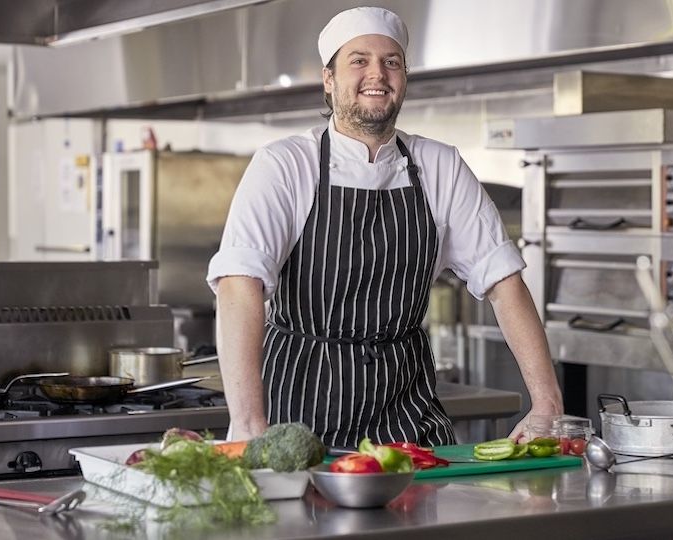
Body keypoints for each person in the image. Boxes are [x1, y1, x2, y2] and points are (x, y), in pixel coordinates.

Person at [206, 6, 562, 448]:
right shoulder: (284, 165)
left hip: (408, 416)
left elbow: (504, 282)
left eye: (391, 62)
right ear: (329, 79)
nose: (378, 73)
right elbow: (239, 285)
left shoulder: (440, 166)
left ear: (404, 77)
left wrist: (547, 403)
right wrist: (247, 426)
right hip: (298, 414)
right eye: (359, 60)